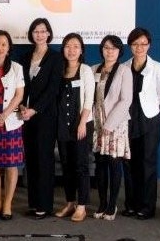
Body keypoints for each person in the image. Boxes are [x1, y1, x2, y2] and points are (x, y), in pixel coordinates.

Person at [19, 18, 63, 219]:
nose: (39, 34)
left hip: (45, 116)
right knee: (32, 159)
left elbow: (53, 89)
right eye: (36, 31)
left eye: (43, 31)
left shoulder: (55, 58)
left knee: (44, 161)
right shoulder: (25, 57)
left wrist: (34, 109)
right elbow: (22, 86)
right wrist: (22, 106)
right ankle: (34, 202)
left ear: (48, 33)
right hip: (26, 116)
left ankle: (45, 205)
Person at [122, 28, 160, 220]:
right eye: (135, 43)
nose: (139, 47)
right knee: (129, 163)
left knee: (147, 163)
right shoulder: (124, 66)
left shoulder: (157, 67)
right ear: (130, 45)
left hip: (149, 119)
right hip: (127, 119)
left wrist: (151, 115)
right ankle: (131, 204)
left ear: (149, 45)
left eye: (143, 43)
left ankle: (147, 206)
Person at [54, 33, 95, 222]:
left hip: (81, 125)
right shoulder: (59, 69)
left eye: (75, 46)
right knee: (66, 166)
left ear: (81, 50)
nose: (71, 50)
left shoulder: (85, 70)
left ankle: (81, 206)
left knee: (81, 166)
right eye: (68, 46)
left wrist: (82, 123)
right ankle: (70, 202)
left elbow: (89, 99)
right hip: (62, 124)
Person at [91, 35, 132, 221]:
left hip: (116, 124)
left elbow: (126, 100)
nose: (110, 51)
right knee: (100, 164)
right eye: (106, 47)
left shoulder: (124, 71)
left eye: (114, 48)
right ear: (102, 49)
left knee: (114, 165)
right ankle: (101, 203)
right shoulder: (94, 69)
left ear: (119, 51)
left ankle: (112, 204)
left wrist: (109, 124)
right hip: (97, 123)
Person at [0, 30, 25, 221]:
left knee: (11, 165)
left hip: (9, 120)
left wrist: (4, 115)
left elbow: (19, 95)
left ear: (9, 48)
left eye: (3, 44)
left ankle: (8, 203)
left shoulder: (17, 68)